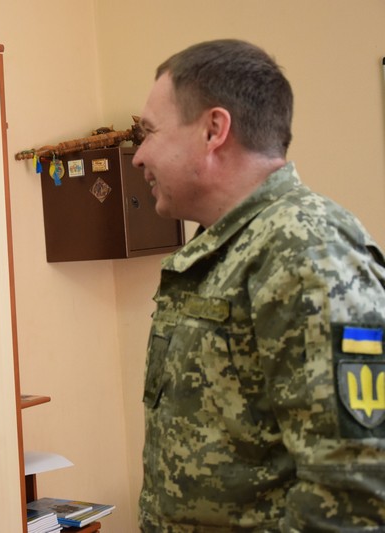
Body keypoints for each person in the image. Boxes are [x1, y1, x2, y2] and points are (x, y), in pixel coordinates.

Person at [133, 39, 385, 531]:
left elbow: (355, 489)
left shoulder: (306, 246)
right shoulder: (225, 247)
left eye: (148, 133)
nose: (139, 156)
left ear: (213, 130)